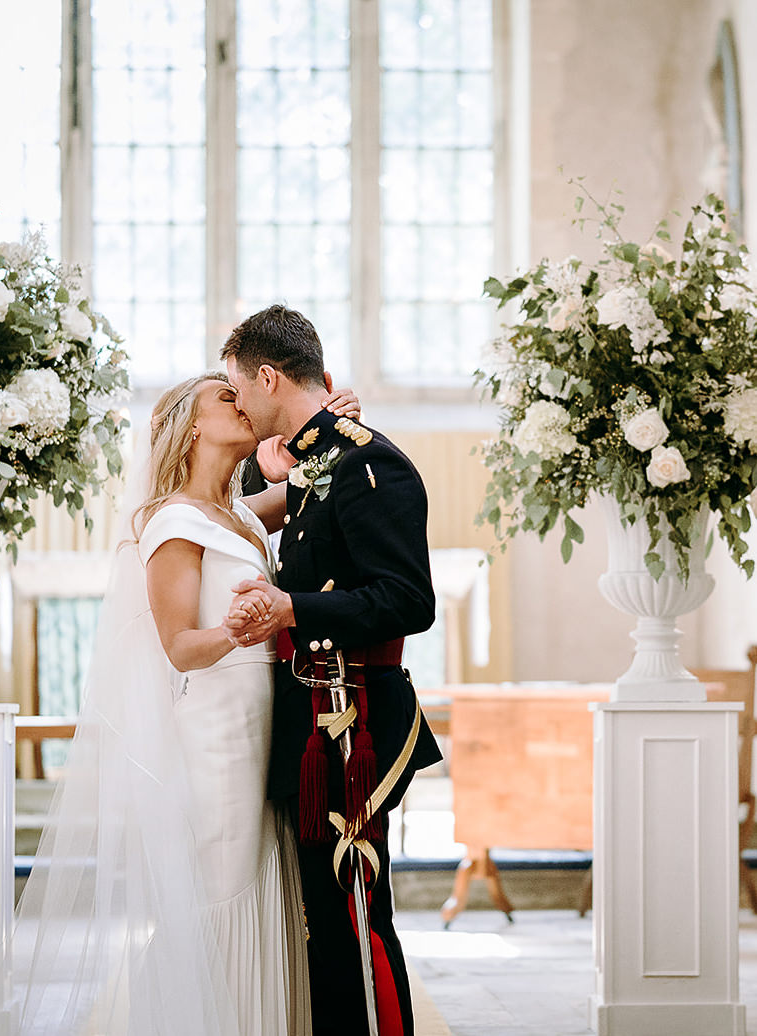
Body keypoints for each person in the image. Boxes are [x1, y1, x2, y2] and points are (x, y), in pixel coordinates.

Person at [0, 370, 361, 1036]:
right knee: (222, 889)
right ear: (191, 427)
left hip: (262, 731)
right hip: (214, 738)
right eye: (227, 397)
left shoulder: (242, 513)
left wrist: (327, 429)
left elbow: (315, 488)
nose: (243, 403)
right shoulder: (173, 520)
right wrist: (239, 629)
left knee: (258, 879)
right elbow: (179, 647)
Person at [221, 305, 443, 1036]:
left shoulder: (367, 462)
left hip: (356, 730)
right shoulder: (320, 461)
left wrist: (293, 610)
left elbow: (409, 601)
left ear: (267, 375)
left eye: (239, 388)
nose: (239, 404)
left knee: (354, 917)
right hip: (317, 719)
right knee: (326, 918)